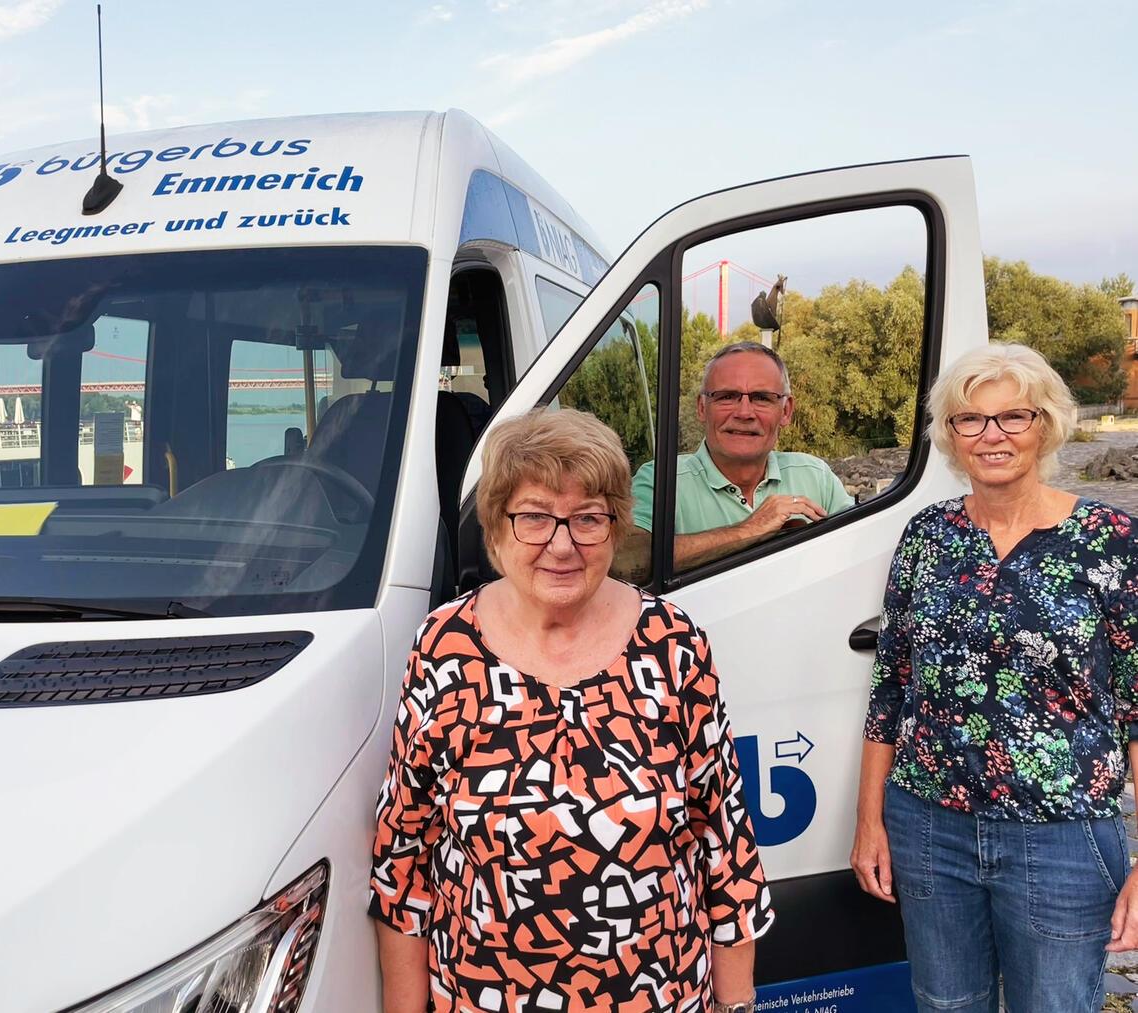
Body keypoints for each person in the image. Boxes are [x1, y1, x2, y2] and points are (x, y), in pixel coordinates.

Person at [370, 408, 774, 1013]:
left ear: (615, 528)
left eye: (588, 518)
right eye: (535, 517)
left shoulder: (673, 643)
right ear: (496, 526)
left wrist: (736, 1005)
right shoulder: (445, 647)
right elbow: (404, 855)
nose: (562, 545)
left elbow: (724, 842)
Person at [850, 343, 1138, 1013]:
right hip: (929, 830)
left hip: (1061, 835)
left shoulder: (1110, 540)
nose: (993, 435)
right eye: (970, 420)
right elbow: (890, 687)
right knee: (946, 1005)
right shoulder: (928, 536)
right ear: (951, 436)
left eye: (1014, 416)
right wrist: (870, 821)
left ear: (1047, 424)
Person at [628, 342, 852, 570]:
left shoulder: (816, 477)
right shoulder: (661, 481)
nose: (744, 413)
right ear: (702, 408)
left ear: (786, 411)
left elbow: (857, 550)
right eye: (727, 396)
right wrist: (751, 529)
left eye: (762, 398)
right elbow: (630, 560)